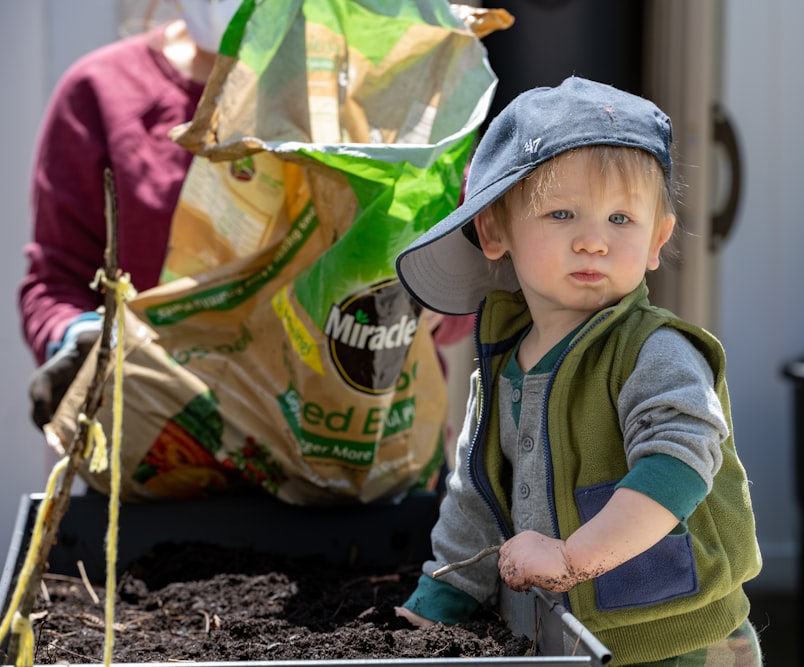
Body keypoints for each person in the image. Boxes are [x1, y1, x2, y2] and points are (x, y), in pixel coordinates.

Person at [392, 76, 763, 665]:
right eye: (562, 213)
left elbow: (678, 464)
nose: (593, 241)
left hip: (676, 640)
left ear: (656, 239)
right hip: (558, 639)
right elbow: (476, 494)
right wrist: (441, 598)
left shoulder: (654, 350)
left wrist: (572, 559)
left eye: (621, 220)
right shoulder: (503, 364)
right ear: (494, 230)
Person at [20, 0, 473, 432]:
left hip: (355, 457)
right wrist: (81, 340)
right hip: (165, 454)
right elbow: (56, 281)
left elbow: (474, 260)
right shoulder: (102, 91)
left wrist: (425, 301)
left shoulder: (388, 78)